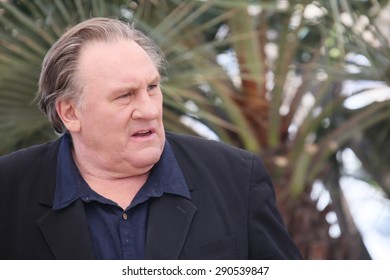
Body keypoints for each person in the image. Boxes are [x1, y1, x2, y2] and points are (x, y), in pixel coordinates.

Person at [0, 17, 301, 260]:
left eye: (152, 88)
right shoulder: (9, 187)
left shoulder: (237, 176)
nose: (147, 109)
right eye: (125, 95)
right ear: (70, 113)